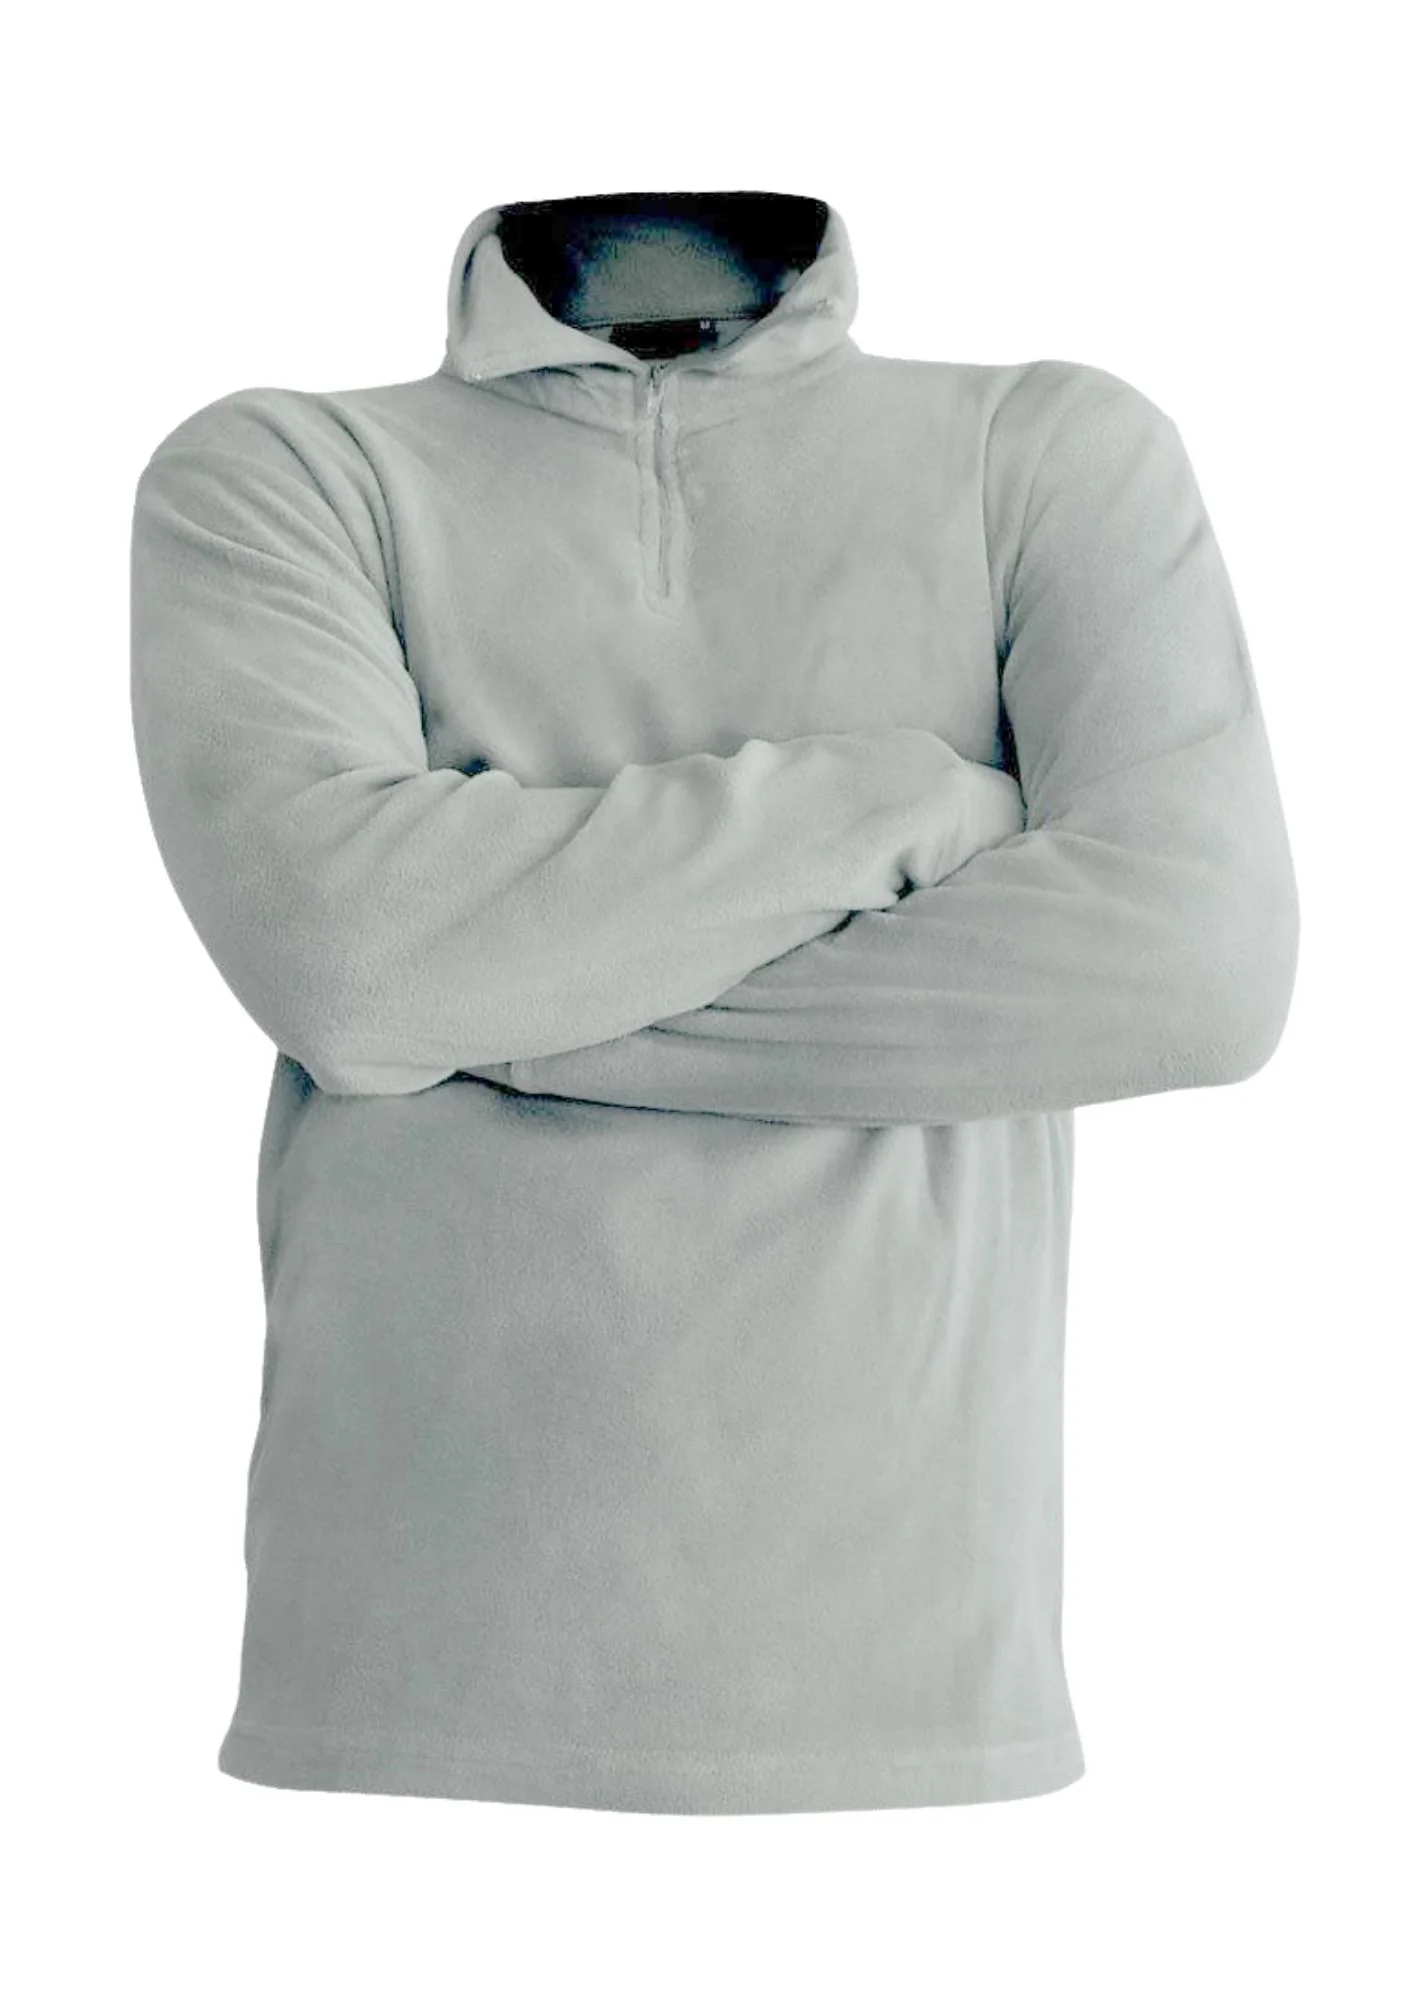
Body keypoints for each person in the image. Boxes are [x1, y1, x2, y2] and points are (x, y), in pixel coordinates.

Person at [129, 187, 1300, 1815]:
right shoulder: (290, 470)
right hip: (400, 1671)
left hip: (912, 1665)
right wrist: (899, 802)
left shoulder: (1042, 451)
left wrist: (483, 1006)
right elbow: (345, 958)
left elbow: (1193, 972)